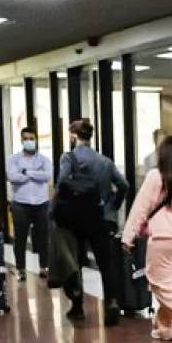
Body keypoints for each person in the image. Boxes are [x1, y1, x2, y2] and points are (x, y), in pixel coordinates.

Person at [121, 135, 172, 343]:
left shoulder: (155, 176)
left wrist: (128, 236)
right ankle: (165, 328)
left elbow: (141, 208)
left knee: (159, 283)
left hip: (163, 237)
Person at [54, 120, 129, 325]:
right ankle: (112, 302)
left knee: (75, 262)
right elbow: (123, 184)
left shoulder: (68, 158)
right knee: (106, 263)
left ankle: (77, 307)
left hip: (75, 220)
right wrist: (113, 205)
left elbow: (61, 183)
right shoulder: (104, 161)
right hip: (102, 218)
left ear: (73, 136)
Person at [7, 126, 52, 281]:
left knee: (44, 236)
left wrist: (26, 172)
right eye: (25, 139)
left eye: (31, 139)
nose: (29, 142)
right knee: (20, 237)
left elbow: (47, 176)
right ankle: (21, 269)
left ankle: (44, 267)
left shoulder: (44, 160)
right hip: (21, 203)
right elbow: (13, 177)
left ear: (36, 140)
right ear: (21, 140)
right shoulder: (13, 159)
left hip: (41, 203)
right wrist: (34, 174)